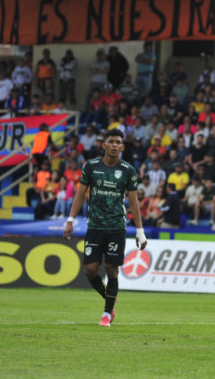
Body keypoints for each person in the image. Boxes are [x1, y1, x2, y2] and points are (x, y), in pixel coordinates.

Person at [64, 128, 147, 327]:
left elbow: (134, 202)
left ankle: (107, 314)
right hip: (94, 226)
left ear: (122, 147)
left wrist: (140, 230)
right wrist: (70, 220)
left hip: (117, 226)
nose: (114, 145)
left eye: (118, 142)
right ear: (103, 145)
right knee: (90, 271)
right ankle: (109, 297)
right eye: (111, 141)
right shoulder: (91, 167)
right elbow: (80, 194)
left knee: (112, 270)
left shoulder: (128, 170)